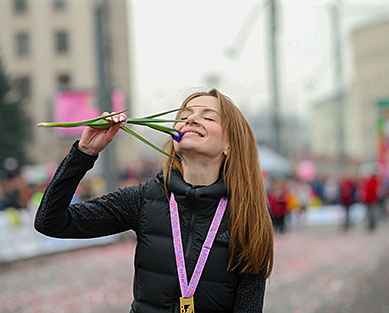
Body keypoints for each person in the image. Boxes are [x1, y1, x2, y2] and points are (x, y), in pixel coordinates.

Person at [34, 88, 274, 313]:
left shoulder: (246, 214)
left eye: (209, 117)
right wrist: (84, 153)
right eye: (185, 115)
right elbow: (51, 222)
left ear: (230, 144)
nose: (191, 120)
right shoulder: (145, 198)